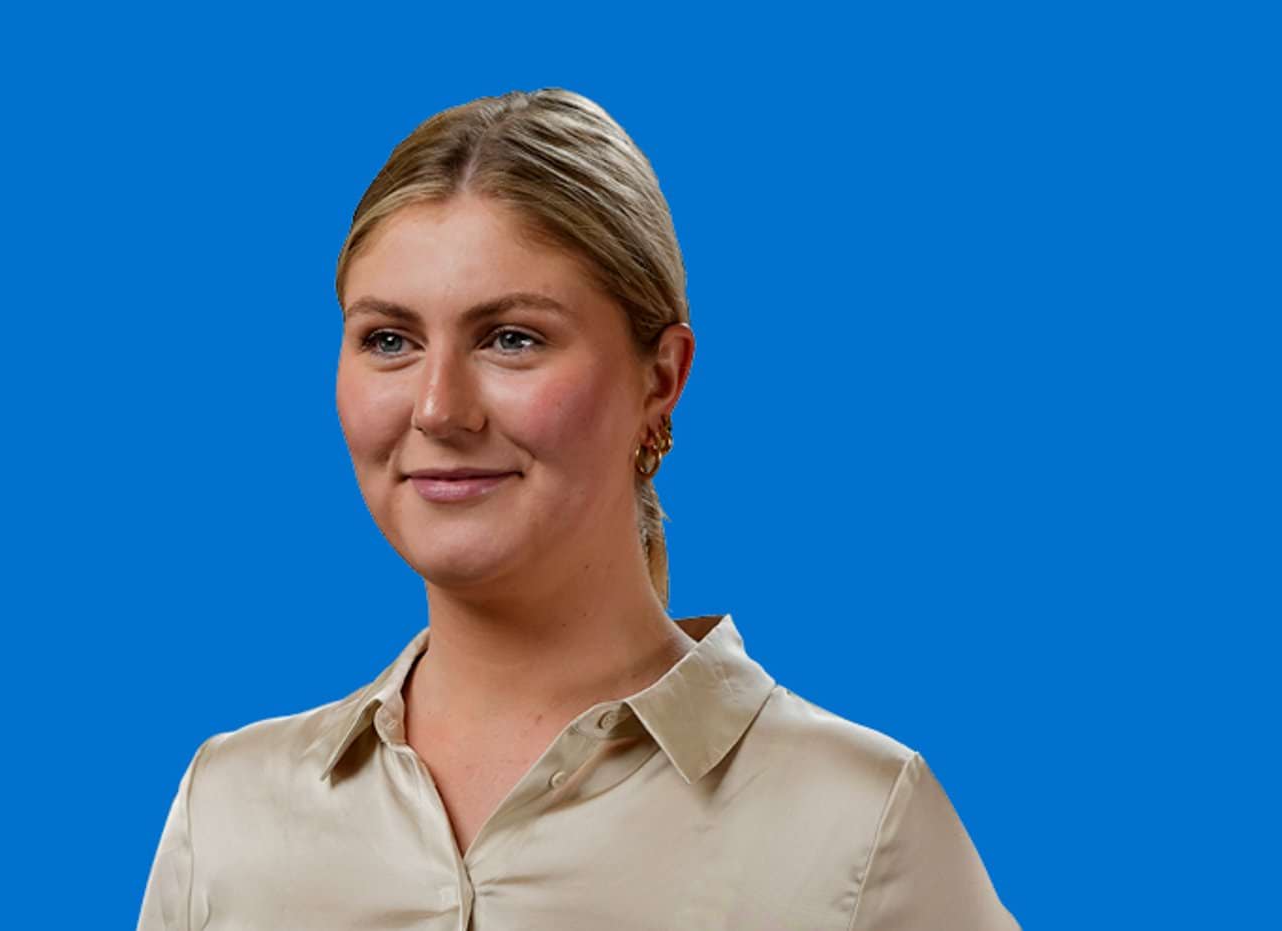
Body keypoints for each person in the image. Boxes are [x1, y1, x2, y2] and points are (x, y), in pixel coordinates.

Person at [136, 88, 1020, 930]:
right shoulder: (229, 813)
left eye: (511, 338)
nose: (439, 408)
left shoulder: (859, 827)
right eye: (390, 340)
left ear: (661, 381)